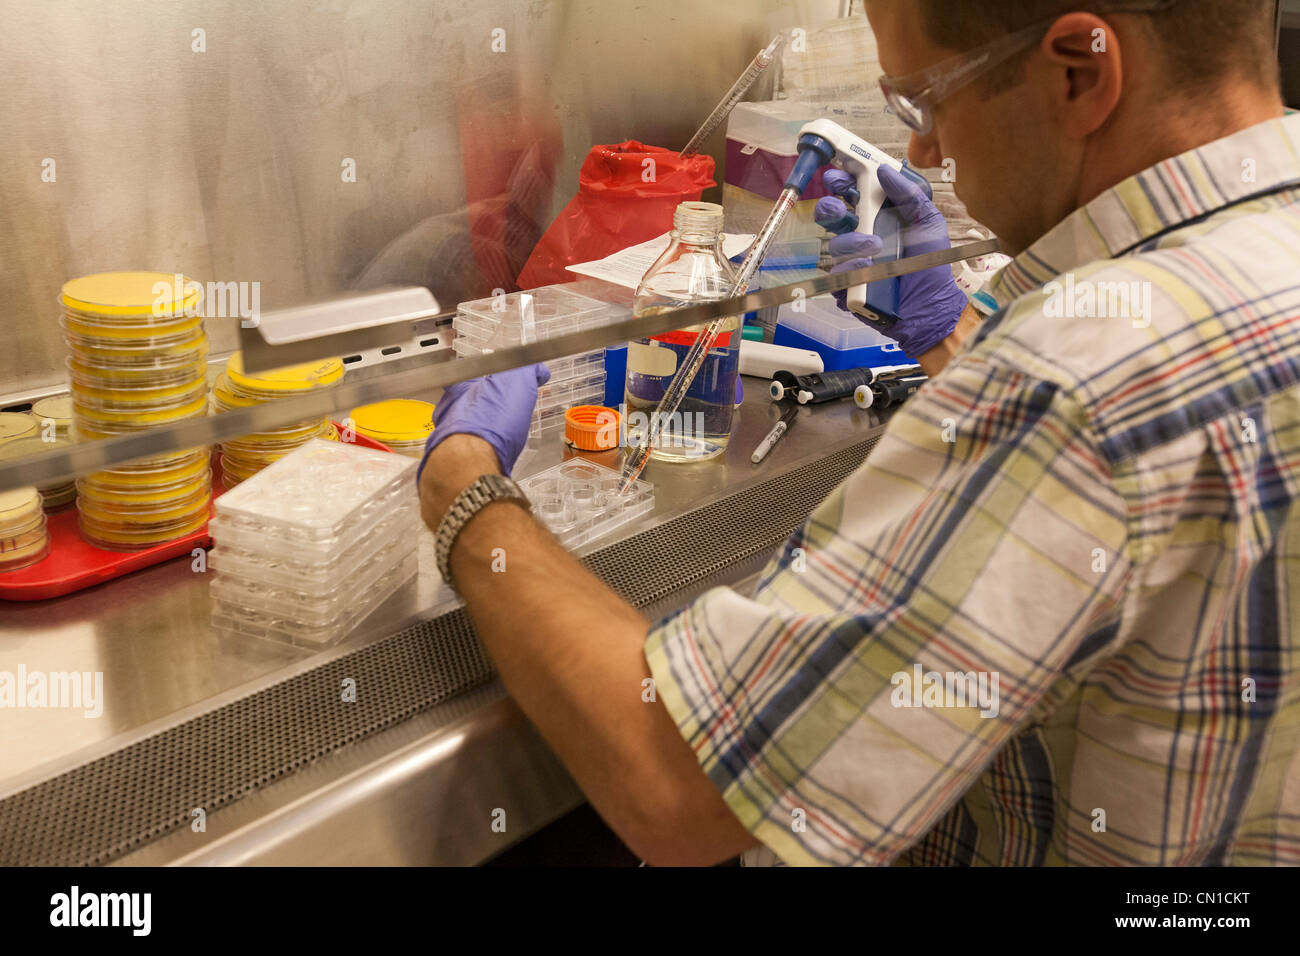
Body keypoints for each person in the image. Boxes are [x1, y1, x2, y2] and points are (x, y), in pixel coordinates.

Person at [417, 0, 1298, 866]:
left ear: (1081, 69)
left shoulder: (1074, 377)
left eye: (924, 101)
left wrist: (465, 493)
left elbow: (680, 784)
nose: (924, 151)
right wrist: (952, 344)